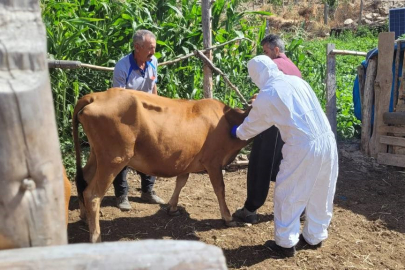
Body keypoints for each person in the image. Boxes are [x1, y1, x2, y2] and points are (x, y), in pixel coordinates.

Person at [231, 55, 338, 257]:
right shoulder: (297, 81)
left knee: (289, 192)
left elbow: (250, 128)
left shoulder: (268, 93)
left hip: (302, 145)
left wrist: (235, 132)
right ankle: (315, 236)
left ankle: (285, 244)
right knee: (321, 190)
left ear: (256, 76)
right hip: (327, 140)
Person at [232, 34, 302, 224]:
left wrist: (257, 103)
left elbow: (271, 96)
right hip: (291, 127)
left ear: (276, 50)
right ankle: (301, 208)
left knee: (259, 164)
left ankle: (250, 209)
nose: (265, 56)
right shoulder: (293, 67)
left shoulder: (275, 66)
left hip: (272, 126)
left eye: (266, 51)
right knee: (284, 165)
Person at [112, 29, 165, 211]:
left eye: (154, 48)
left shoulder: (153, 62)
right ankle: (121, 195)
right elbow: (117, 98)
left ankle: (147, 191)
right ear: (137, 47)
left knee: (150, 151)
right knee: (124, 155)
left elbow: (153, 86)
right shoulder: (122, 67)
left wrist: (158, 108)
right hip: (127, 117)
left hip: (148, 115)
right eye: (150, 48)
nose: (153, 52)